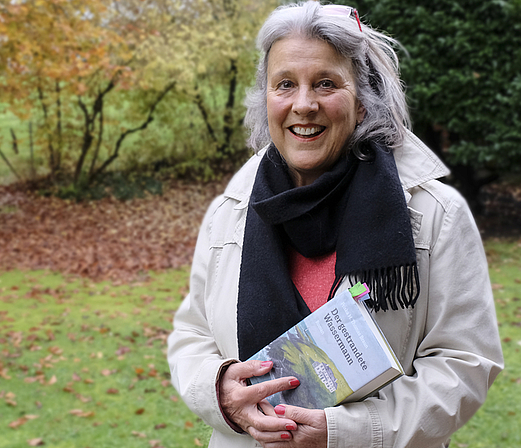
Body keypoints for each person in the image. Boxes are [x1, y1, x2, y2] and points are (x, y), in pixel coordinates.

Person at [167, 2, 504, 447]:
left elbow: (465, 364)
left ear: (364, 103)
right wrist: (220, 389)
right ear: (266, 99)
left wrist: (346, 433)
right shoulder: (230, 211)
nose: (304, 105)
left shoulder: (435, 215)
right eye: (285, 84)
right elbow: (192, 334)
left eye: (326, 83)